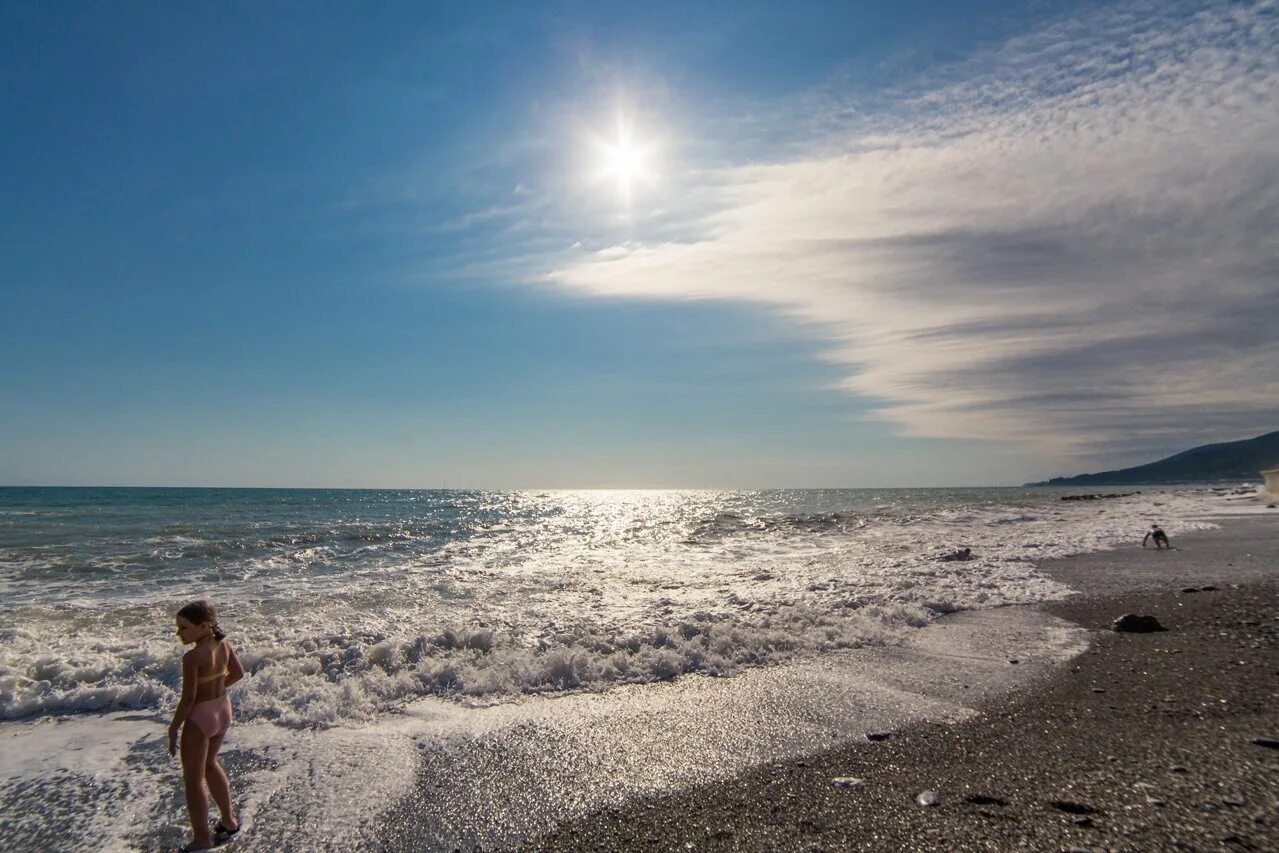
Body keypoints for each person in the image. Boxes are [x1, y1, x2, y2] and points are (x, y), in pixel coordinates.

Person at [169, 600, 244, 851]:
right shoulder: (223, 644)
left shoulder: (192, 657)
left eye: (184, 628)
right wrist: (218, 687)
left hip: (200, 718)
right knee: (210, 764)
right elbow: (238, 673)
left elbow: (188, 699)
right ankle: (229, 820)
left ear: (203, 626)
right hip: (222, 710)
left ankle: (201, 839)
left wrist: (173, 728)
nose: (179, 634)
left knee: (193, 779)